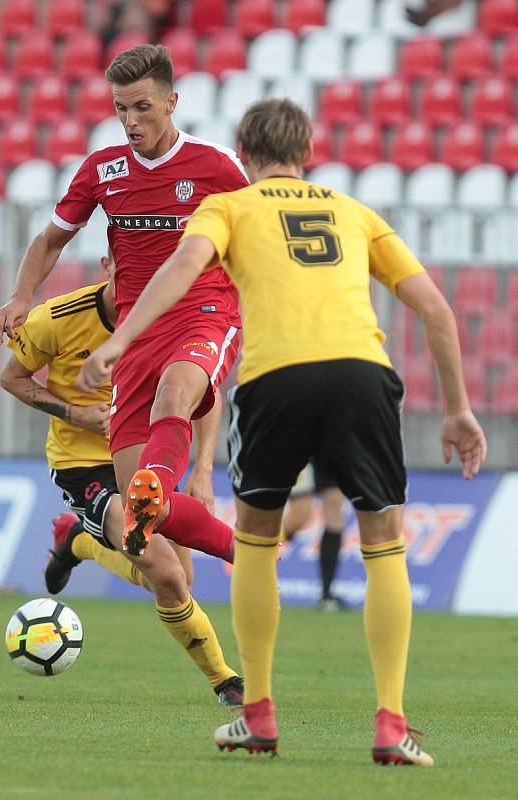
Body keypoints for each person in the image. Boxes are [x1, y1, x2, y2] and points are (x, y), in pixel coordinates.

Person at [77, 98, 487, 765]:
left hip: (276, 379)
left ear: (242, 156)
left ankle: (259, 714)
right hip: (361, 372)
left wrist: (120, 340)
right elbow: (435, 310)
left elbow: (180, 269)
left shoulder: (230, 206)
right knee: (382, 545)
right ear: (308, 152)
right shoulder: (354, 212)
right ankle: (390, 724)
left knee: (256, 543)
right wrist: (457, 409)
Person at [0, 43, 246, 577]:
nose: (131, 122)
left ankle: (248, 556)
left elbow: (258, 238)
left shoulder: (216, 166)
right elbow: (51, 240)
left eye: (143, 108)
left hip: (203, 314)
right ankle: (81, 538)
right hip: (132, 337)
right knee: (141, 515)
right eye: (121, 109)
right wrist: (21, 296)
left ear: (172, 101)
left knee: (176, 391)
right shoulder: (102, 170)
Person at [0, 251, 242, 708]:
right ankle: (227, 681)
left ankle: (79, 542)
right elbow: (12, 378)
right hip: (84, 465)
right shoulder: (58, 318)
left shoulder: (175, 320)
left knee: (177, 580)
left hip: (148, 461)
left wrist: (204, 471)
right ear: (109, 266)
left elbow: (205, 395)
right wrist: (75, 414)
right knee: (167, 573)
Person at [282, 462, 347, 611]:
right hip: (305, 449)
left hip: (330, 449)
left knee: (335, 502)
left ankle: (326, 593)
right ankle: (257, 562)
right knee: (300, 515)